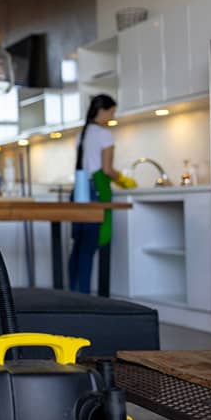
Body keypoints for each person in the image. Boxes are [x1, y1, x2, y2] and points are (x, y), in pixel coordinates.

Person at [67, 94, 136, 294]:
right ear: (103, 110)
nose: (112, 117)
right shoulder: (105, 134)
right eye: (112, 112)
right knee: (89, 247)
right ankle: (87, 299)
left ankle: (73, 293)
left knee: (78, 247)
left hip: (78, 191)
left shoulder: (82, 134)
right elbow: (107, 170)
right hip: (95, 191)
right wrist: (124, 180)